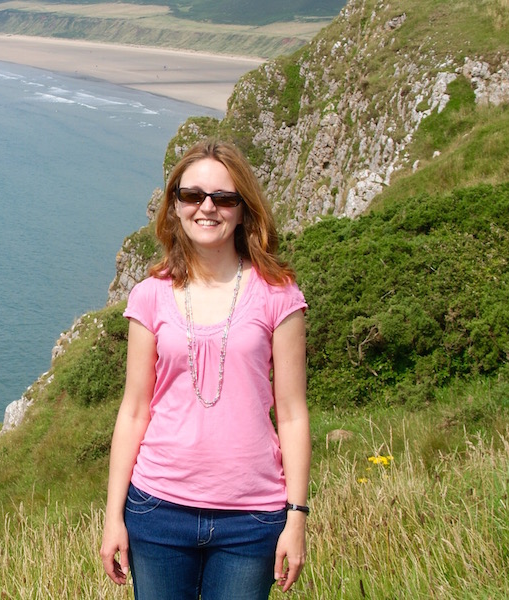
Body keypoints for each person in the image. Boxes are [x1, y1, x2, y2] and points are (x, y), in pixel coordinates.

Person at [99, 139, 311, 599]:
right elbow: (134, 410)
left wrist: (296, 516)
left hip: (252, 517)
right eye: (193, 196)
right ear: (175, 205)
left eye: (224, 198)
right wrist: (113, 515)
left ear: (243, 209)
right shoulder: (150, 295)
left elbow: (292, 413)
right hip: (157, 510)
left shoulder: (278, 293)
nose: (207, 208)